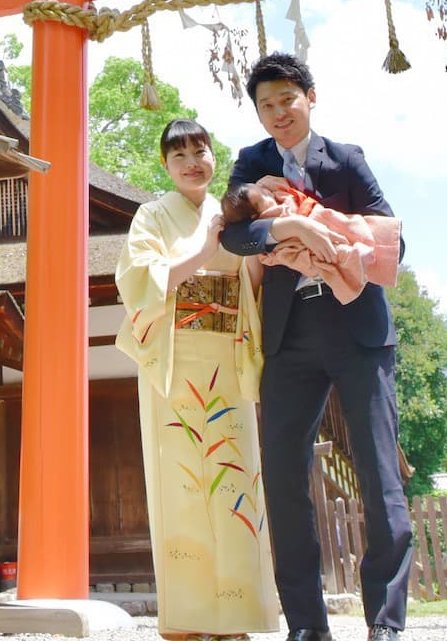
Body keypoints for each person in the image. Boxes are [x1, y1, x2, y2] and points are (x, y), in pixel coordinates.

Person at [219, 53, 413, 641]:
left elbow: (393, 243)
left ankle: (386, 621)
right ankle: (306, 624)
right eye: (266, 106)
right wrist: (283, 225)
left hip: (356, 329)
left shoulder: (346, 159)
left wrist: (323, 225)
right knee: (282, 476)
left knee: (380, 473)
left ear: (310, 96)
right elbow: (232, 232)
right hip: (288, 334)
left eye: (287, 100)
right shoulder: (251, 166)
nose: (278, 113)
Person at [114, 119, 280, 641]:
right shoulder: (152, 215)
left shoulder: (230, 212)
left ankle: (236, 615)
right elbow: (138, 280)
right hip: (175, 359)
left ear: (213, 156)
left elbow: (252, 283)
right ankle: (185, 615)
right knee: (180, 482)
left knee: (235, 481)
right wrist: (207, 251)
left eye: (200, 150)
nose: (192, 161)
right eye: (179, 154)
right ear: (165, 165)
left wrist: (255, 259)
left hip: (227, 356)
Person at [219, 181, 402, 305]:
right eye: (264, 197)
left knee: (354, 227)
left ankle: (377, 246)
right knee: (332, 253)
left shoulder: (346, 158)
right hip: (290, 318)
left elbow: (380, 212)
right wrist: (295, 226)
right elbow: (233, 236)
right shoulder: (252, 163)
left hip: (356, 321)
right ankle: (353, 256)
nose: (269, 193)